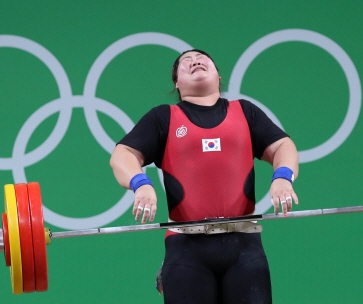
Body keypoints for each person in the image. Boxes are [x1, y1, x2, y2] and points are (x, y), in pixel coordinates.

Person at [110, 49, 299, 304]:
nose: (195, 61)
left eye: (202, 58)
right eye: (185, 61)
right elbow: (123, 154)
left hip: (244, 248)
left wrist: (283, 177)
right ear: (177, 82)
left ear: (218, 76)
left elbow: (283, 146)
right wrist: (141, 184)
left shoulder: (245, 111)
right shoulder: (163, 117)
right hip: (186, 249)